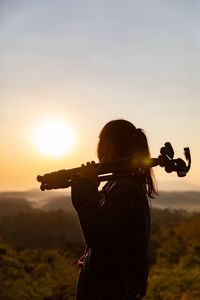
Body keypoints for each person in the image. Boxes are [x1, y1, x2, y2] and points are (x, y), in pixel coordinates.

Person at [71, 119, 157, 300]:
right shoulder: (121, 184)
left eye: (100, 141)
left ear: (108, 144)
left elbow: (95, 231)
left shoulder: (126, 187)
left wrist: (85, 187)